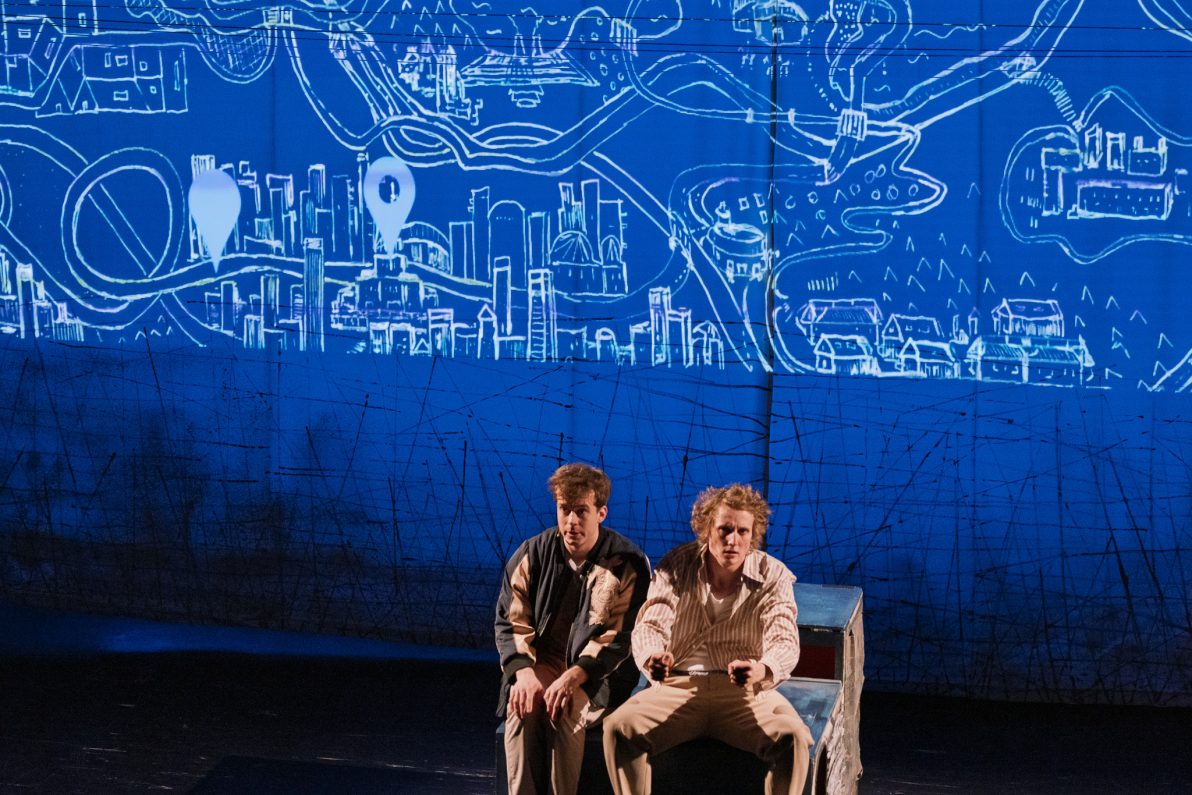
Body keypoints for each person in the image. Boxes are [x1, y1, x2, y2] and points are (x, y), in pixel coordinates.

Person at [602, 483, 814, 795]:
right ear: (706, 529)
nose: (732, 540)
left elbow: (784, 638)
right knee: (619, 728)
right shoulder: (677, 565)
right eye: (724, 529)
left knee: (792, 738)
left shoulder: (772, 574)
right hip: (678, 685)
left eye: (742, 531)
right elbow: (651, 623)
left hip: (743, 694)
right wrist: (653, 656)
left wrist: (762, 669)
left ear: (753, 535)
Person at [495, 463, 651, 795]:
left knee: (564, 709)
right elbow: (511, 619)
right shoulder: (532, 553)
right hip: (542, 663)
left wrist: (575, 676)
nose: (571, 521)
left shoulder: (627, 562)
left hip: (598, 675)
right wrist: (523, 673)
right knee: (521, 708)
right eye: (564, 509)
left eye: (581, 511)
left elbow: (621, 635)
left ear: (601, 513)